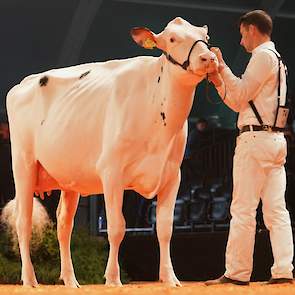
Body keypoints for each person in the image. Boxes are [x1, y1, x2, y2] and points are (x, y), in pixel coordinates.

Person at [206, 10, 294, 285]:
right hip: (274, 140)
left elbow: (242, 94)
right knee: (276, 211)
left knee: (243, 209)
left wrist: (222, 67)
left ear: (252, 29)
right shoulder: (277, 60)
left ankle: (237, 273)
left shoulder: (263, 56)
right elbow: (239, 103)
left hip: (255, 141)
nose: (242, 41)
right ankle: (283, 270)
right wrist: (220, 81)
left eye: (243, 34)